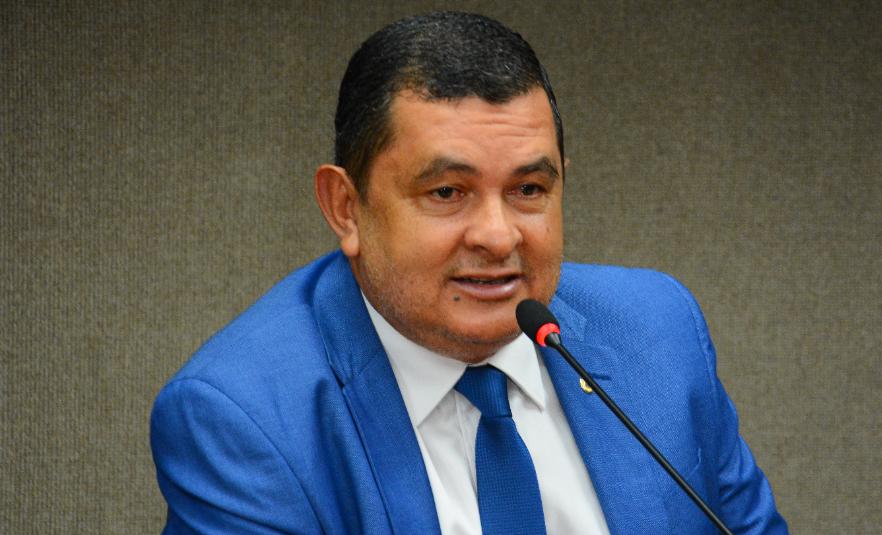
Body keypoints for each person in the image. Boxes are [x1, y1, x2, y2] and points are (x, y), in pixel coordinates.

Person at [150, 11, 788, 534]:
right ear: (346, 207)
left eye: (529, 189)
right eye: (447, 193)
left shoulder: (659, 332)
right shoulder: (244, 419)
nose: (498, 236)